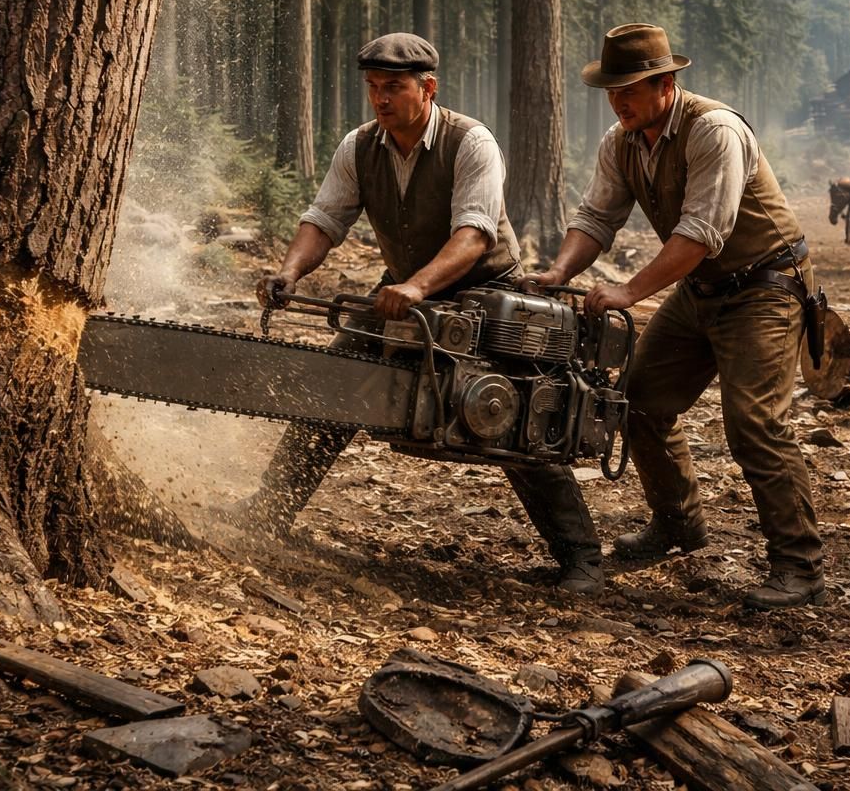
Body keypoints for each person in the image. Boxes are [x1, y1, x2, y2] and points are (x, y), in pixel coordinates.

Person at [242, 32, 605, 594]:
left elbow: (474, 235)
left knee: (519, 420)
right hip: (406, 292)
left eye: (394, 88)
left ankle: (583, 559)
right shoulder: (359, 146)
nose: (381, 100)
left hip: (489, 295)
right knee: (331, 386)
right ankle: (270, 509)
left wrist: (416, 286)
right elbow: (324, 220)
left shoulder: (471, 142)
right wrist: (291, 271)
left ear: (427, 88)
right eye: (373, 88)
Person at [523, 23, 826, 609]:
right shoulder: (622, 141)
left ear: (666, 84)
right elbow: (595, 218)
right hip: (701, 291)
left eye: (630, 89)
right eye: (612, 91)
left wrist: (629, 292)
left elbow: (701, 235)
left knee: (755, 424)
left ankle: (800, 566)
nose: (619, 101)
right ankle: (679, 527)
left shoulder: (714, 130)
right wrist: (561, 270)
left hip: (765, 287)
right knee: (639, 402)